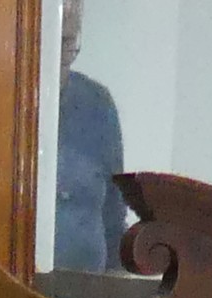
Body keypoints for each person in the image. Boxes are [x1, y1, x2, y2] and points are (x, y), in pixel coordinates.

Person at [52, 0, 131, 274]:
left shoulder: (98, 105)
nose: (56, 60)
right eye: (47, 43)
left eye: (66, 44)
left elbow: (113, 221)